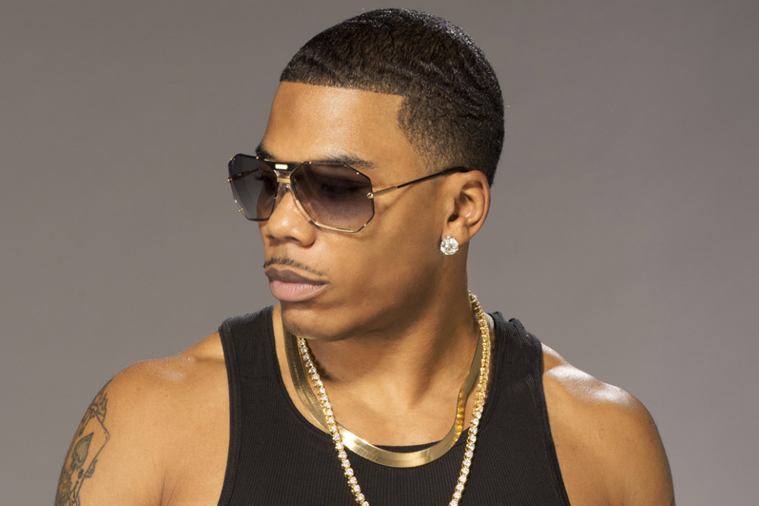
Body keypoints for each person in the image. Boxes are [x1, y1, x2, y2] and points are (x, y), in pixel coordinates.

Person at [55, 8, 674, 506]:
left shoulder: (603, 444)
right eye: (266, 181)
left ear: (459, 210)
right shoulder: (155, 423)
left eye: (335, 189)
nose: (281, 224)